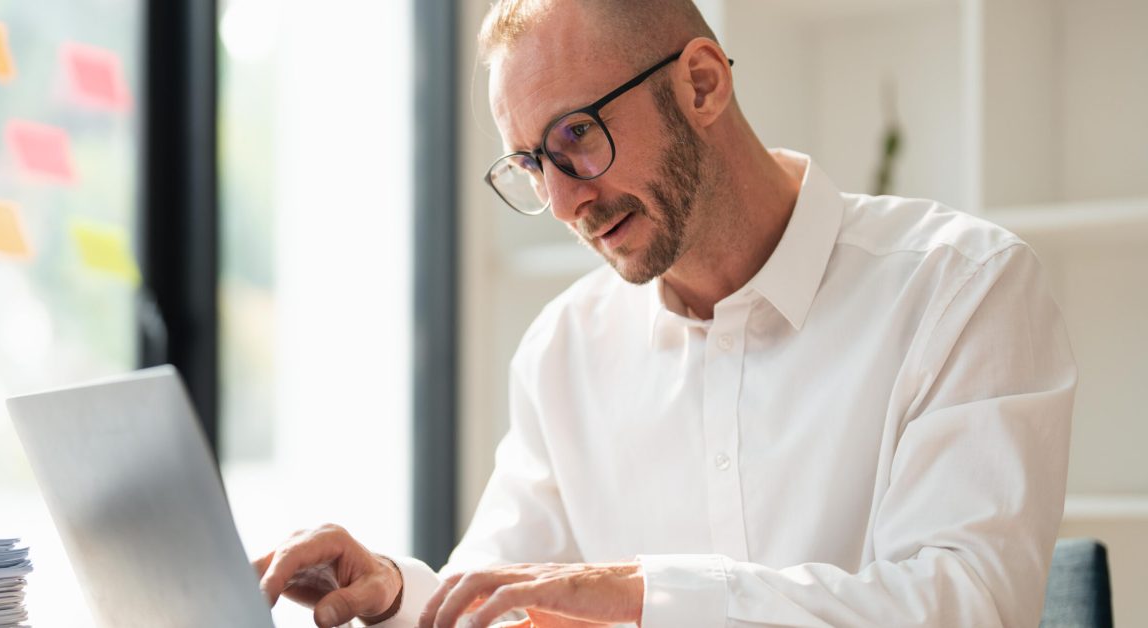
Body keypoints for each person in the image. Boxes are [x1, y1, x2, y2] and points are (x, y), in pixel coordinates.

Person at [254, 0, 1076, 626]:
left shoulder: (962, 289)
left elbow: (966, 605)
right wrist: (394, 591)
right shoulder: (564, 352)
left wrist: (646, 595)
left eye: (578, 133)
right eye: (533, 164)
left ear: (702, 84)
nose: (566, 199)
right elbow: (502, 592)